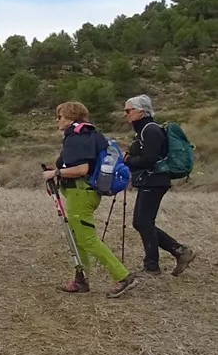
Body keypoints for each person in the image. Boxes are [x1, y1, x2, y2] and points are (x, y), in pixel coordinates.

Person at [43, 101, 138, 296]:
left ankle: (123, 277)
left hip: (81, 193)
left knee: (87, 239)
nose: (57, 121)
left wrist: (55, 173)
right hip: (82, 192)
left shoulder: (77, 138)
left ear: (71, 117)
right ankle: (81, 280)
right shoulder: (89, 135)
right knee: (78, 238)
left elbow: (81, 169)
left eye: (60, 116)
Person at [122, 95, 197, 276]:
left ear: (141, 111)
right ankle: (178, 251)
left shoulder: (150, 130)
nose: (126, 114)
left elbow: (150, 159)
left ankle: (152, 265)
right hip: (151, 180)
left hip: (154, 180)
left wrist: (127, 159)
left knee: (144, 222)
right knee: (140, 222)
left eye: (128, 110)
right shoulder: (145, 130)